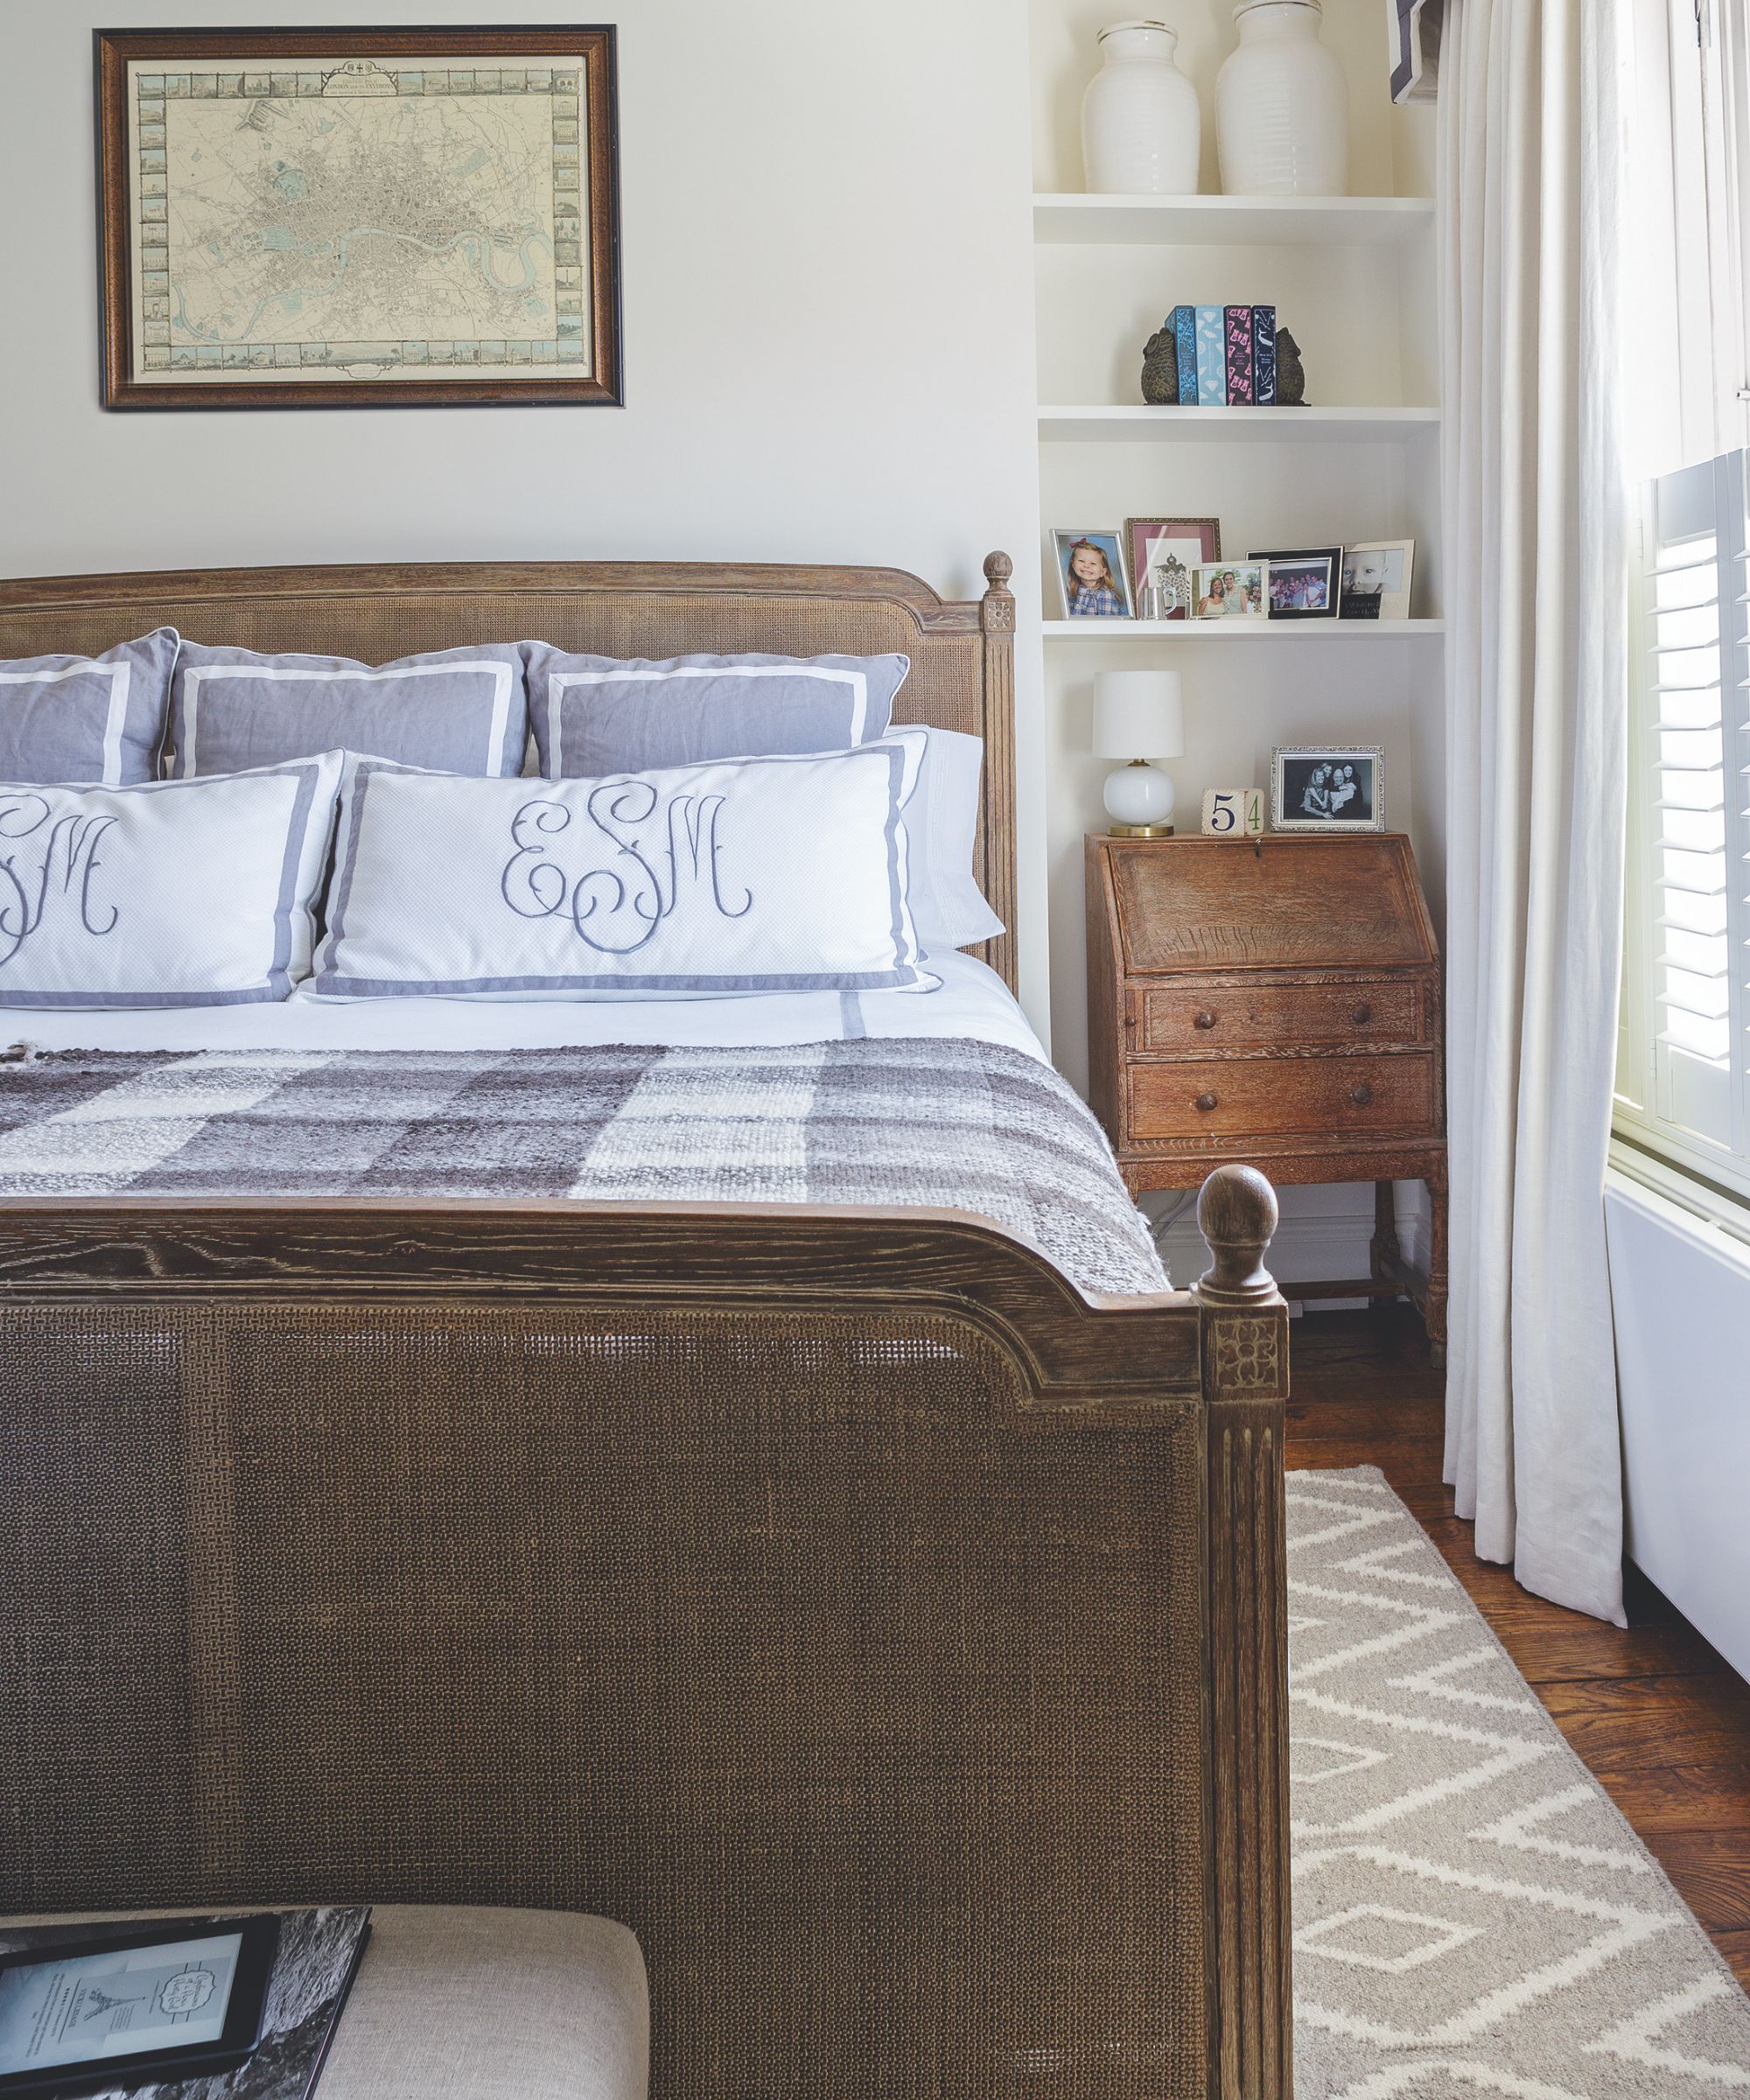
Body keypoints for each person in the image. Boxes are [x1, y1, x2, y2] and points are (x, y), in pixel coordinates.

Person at [1064, 539, 1127, 616]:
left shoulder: (1105, 595)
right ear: (1073, 565)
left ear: (1102, 572)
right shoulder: (1070, 592)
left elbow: (1107, 625)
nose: (1086, 566)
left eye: (1093, 563)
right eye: (1081, 561)